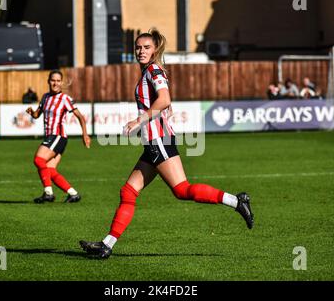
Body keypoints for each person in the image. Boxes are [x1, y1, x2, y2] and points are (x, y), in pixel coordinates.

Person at [80, 29, 254, 259]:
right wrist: (160, 110)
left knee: (181, 190)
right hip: (153, 142)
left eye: (146, 47)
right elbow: (162, 101)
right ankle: (106, 245)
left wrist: (140, 119)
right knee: (128, 191)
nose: (141, 51)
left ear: (155, 50)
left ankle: (236, 201)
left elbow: (165, 98)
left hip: (158, 140)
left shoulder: (153, 69)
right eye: (138, 47)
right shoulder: (149, 72)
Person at [26, 70, 91, 203]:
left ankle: (48, 193)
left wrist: (85, 134)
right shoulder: (45, 97)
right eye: (53, 80)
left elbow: (80, 117)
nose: (55, 83)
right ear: (48, 81)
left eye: (58, 81)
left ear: (61, 83)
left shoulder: (65, 99)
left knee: (39, 160)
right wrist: (32, 113)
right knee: (50, 170)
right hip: (51, 137)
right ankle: (73, 194)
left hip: (58, 136)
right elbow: (38, 114)